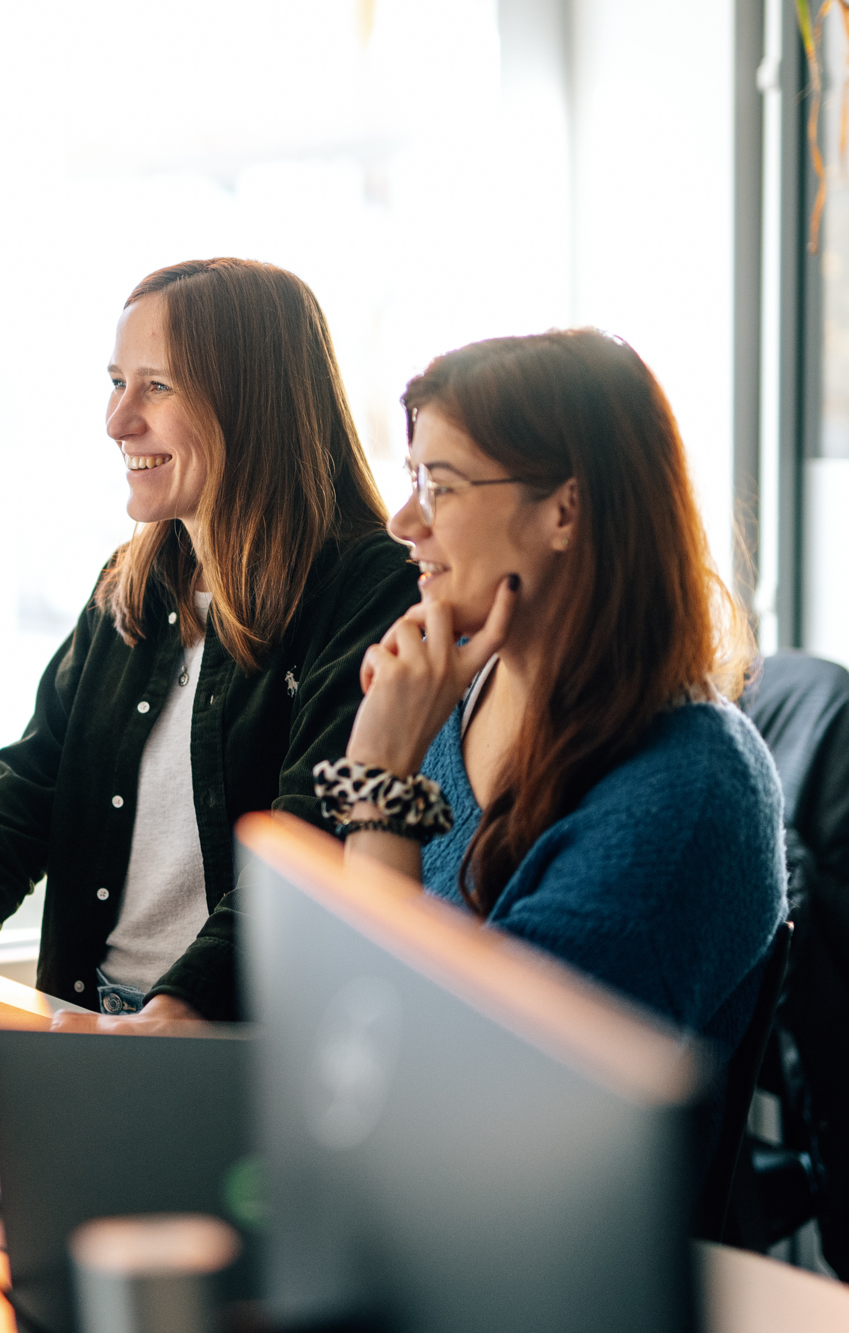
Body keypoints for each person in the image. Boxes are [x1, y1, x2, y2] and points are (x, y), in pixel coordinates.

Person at [0, 258, 419, 1027]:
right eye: (116, 381)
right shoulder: (131, 581)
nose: (118, 420)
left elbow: (304, 844)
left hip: (226, 1048)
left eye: (156, 386)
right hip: (90, 1025)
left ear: (249, 403)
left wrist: (176, 1008)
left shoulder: (368, 587)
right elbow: (24, 799)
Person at [324, 328, 787, 1066]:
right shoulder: (461, 692)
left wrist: (380, 787)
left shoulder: (689, 793)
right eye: (412, 480)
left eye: (438, 486)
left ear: (565, 511)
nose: (403, 523)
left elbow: (463, 1093)